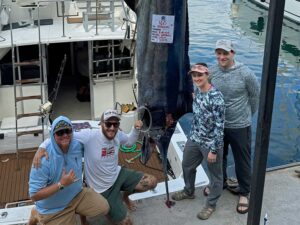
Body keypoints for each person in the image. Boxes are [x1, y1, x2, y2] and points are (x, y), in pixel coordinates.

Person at [34, 109, 157, 225]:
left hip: (118, 174)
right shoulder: (89, 135)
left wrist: (135, 129)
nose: (112, 128)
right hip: (101, 188)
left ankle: (125, 196)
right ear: (101, 123)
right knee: (126, 222)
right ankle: (111, 209)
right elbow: (63, 135)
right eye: (108, 124)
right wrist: (42, 147)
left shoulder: (118, 134)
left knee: (152, 182)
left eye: (115, 124)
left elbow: (130, 141)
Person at [28, 116, 109, 225]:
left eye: (68, 131)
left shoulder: (77, 145)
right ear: (53, 135)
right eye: (60, 132)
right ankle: (36, 212)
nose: (65, 135)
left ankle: (75, 213)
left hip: (76, 195)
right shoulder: (42, 159)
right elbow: (34, 195)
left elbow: (96, 137)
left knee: (104, 207)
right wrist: (61, 184)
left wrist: (115, 132)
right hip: (54, 209)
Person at [210, 39, 260, 214]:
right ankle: (220, 182)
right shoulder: (213, 71)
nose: (222, 57)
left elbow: (254, 98)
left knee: (242, 160)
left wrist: (246, 116)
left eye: (225, 53)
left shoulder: (245, 73)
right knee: (218, 157)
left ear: (233, 53)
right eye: (219, 53)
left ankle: (245, 192)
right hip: (218, 125)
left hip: (240, 126)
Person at [171, 63, 225, 220]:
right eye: (194, 75)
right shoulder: (198, 91)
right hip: (194, 138)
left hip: (211, 144)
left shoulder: (216, 97)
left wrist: (214, 150)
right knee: (187, 165)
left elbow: (219, 126)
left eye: (200, 75)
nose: (197, 78)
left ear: (207, 75)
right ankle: (189, 191)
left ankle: (211, 204)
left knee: (215, 176)